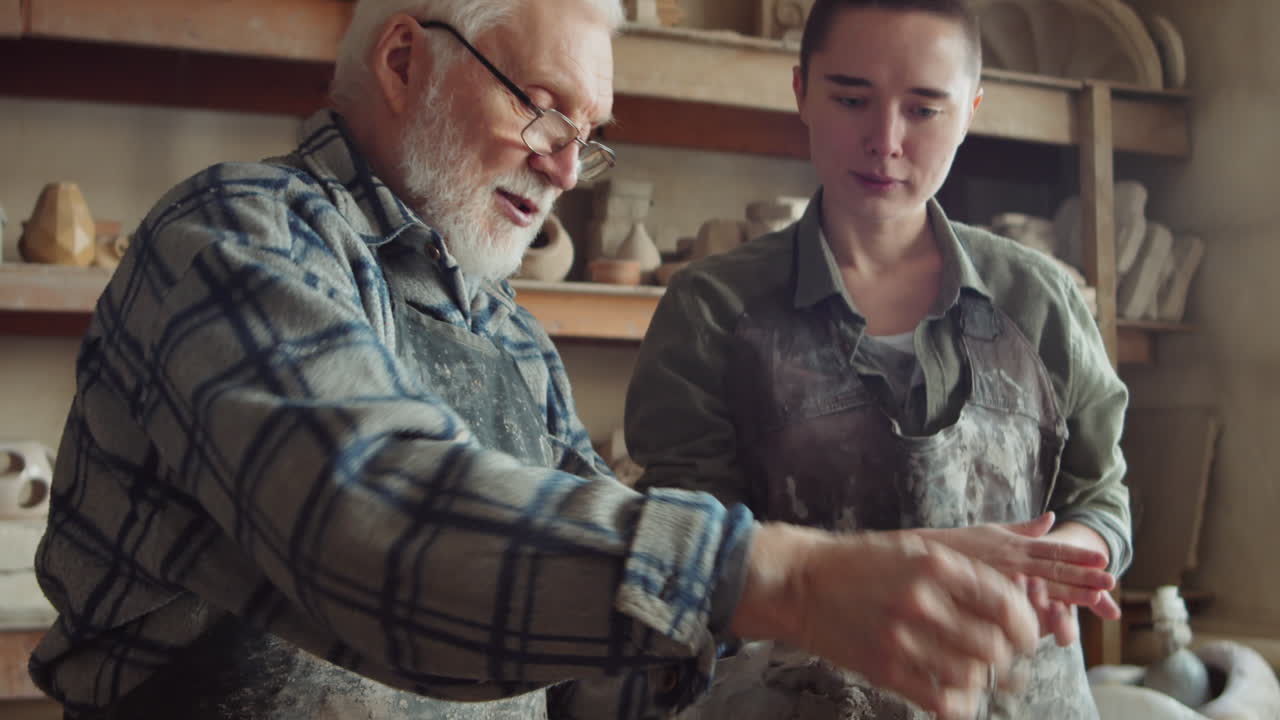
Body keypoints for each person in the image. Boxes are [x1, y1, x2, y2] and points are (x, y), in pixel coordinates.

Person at [30, 1, 1050, 719]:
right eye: (544, 107)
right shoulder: (234, 239)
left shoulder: (508, 337)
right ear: (402, 60)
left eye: (587, 133)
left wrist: (853, 590)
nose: (567, 166)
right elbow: (368, 517)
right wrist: (787, 576)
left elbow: (599, 680)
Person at [626, 0, 1132, 718]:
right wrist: (916, 566)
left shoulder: (1039, 299)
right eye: (852, 98)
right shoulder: (710, 310)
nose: (885, 140)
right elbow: (687, 556)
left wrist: (1059, 563)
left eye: (924, 110)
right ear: (801, 91)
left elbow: (1101, 495)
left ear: (971, 111)